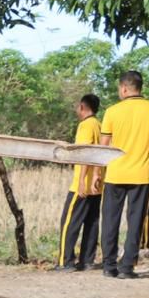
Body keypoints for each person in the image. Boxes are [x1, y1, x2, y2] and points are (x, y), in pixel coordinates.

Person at [99, 71, 149, 278]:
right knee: (136, 220)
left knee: (110, 220)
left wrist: (96, 173)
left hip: (114, 173)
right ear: (140, 87)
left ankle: (108, 266)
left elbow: (103, 147)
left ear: (123, 88)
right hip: (141, 175)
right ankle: (127, 267)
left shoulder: (112, 111)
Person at [56, 94, 103, 270]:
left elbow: (85, 153)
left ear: (82, 107)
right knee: (91, 222)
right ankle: (87, 260)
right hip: (97, 185)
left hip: (82, 184)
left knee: (69, 222)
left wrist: (83, 180)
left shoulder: (86, 125)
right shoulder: (99, 125)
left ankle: (65, 261)